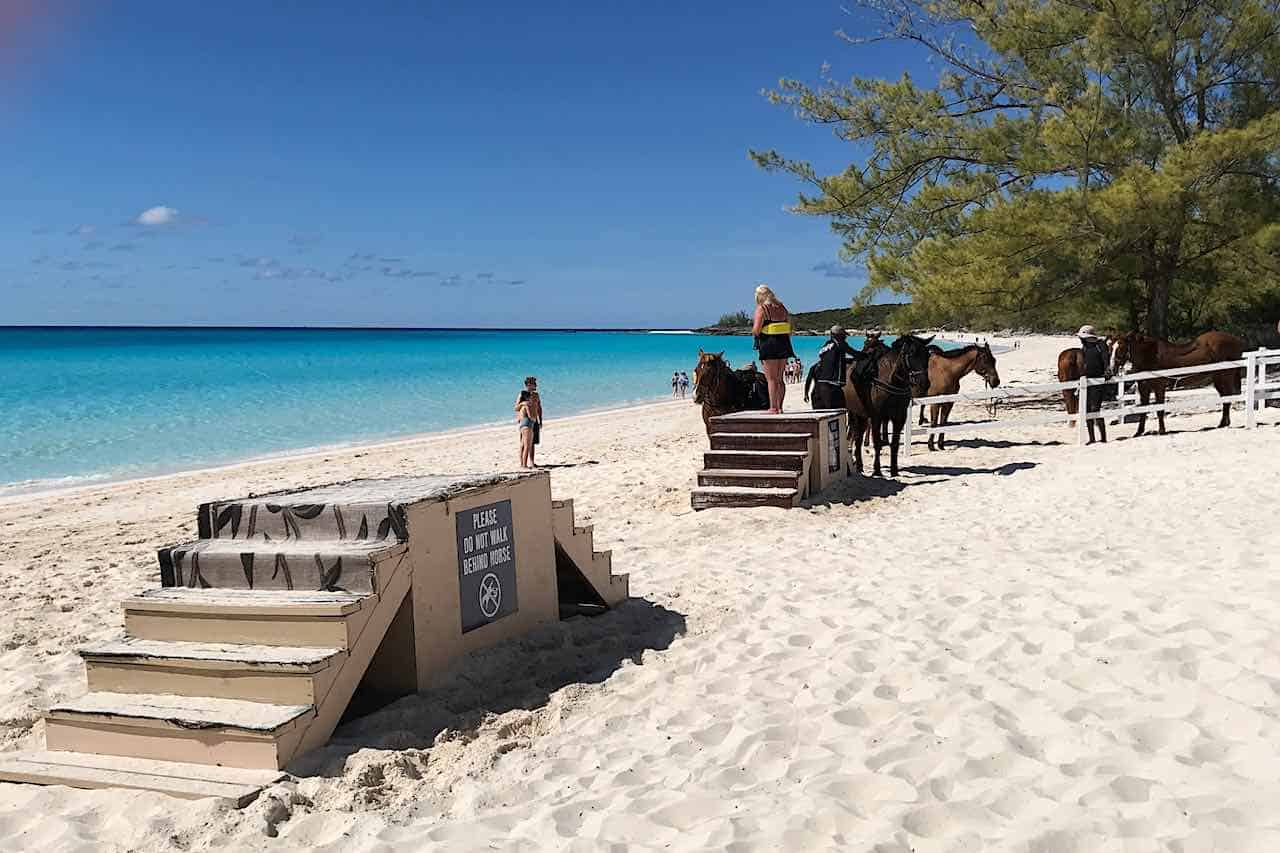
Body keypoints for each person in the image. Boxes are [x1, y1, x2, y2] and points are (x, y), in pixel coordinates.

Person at [751, 284, 795, 413]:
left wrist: (754, 330)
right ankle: (780, 407)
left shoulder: (762, 308)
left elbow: (756, 330)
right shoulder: (782, 307)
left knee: (771, 379)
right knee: (780, 379)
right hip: (784, 343)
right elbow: (789, 326)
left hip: (769, 344)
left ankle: (773, 407)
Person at [805, 325, 867, 410]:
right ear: (837, 335)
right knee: (838, 412)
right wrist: (866, 356)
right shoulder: (840, 343)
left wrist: (806, 393)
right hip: (832, 385)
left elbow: (833, 360)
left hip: (820, 386)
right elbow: (854, 353)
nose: (845, 337)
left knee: (827, 414)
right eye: (843, 335)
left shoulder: (826, 346)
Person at [1078, 325, 1110, 444]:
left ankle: (1103, 437)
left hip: (1098, 381)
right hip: (1087, 382)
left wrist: (1107, 371)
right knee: (1086, 410)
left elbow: (1105, 360)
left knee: (1095, 409)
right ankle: (1091, 438)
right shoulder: (1084, 348)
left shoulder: (1100, 346)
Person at [514, 376, 543, 465]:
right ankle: (522, 463)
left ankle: (532, 462)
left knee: (532, 442)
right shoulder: (522, 394)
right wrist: (523, 403)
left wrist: (540, 420)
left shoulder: (536, 395)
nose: (536, 386)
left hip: (534, 420)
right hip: (525, 420)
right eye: (534, 384)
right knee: (524, 443)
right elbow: (516, 408)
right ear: (529, 385)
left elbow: (539, 408)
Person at [515, 390, 536, 468]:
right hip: (527, 425)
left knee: (523, 445)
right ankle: (524, 465)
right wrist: (534, 419)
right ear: (527, 397)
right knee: (527, 446)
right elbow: (530, 416)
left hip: (522, 425)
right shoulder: (526, 405)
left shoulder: (521, 406)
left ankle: (522, 464)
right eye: (530, 397)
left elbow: (519, 415)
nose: (531, 398)